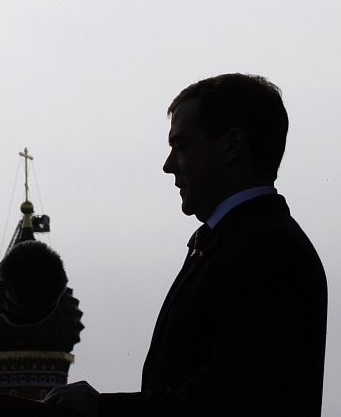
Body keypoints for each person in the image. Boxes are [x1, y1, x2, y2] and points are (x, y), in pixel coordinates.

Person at [44, 73, 327, 416]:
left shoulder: (268, 250)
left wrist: (101, 408)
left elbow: (230, 399)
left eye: (181, 145)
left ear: (232, 146)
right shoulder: (238, 241)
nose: (167, 165)